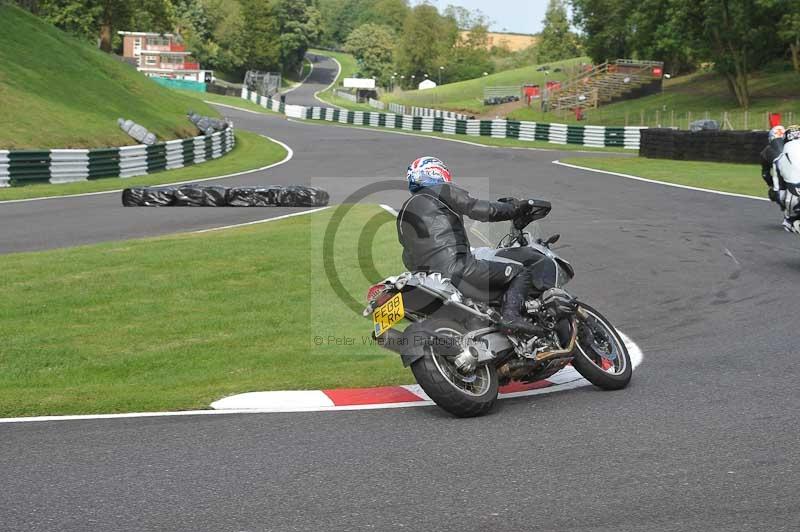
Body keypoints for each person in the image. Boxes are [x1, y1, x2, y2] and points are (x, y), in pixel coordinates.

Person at [396, 156, 576, 337]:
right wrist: (515, 208)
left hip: (430, 280)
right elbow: (479, 209)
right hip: (459, 269)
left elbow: (408, 258)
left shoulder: (404, 214)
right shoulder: (441, 190)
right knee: (520, 272)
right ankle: (511, 316)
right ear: (437, 172)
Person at [773, 125, 800, 233]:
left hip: (793, 200)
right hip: (794, 198)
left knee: (781, 193)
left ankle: (790, 219)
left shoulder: (779, 160)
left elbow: (778, 189)